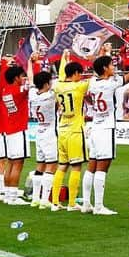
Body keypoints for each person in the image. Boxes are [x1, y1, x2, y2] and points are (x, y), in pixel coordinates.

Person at [83, 54, 129, 215]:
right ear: (105, 68)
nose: (114, 68)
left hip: (94, 126)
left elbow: (87, 96)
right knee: (102, 166)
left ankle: (86, 203)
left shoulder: (92, 83)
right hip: (106, 127)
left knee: (91, 165)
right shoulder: (110, 83)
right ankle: (99, 206)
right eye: (111, 65)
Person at [50, 52, 90, 212]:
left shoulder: (58, 86)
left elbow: (62, 75)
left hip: (62, 130)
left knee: (61, 167)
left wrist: (65, 59)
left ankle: (54, 202)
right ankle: (72, 203)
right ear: (75, 74)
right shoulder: (79, 86)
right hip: (75, 131)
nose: (81, 76)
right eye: (79, 74)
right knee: (76, 167)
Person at [0, 61, 31, 206]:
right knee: (18, 164)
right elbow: (32, 83)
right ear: (16, 78)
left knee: (10, 163)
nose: (24, 78)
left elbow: (3, 78)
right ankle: (13, 197)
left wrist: (5, 65)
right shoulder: (18, 90)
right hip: (18, 130)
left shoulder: (5, 91)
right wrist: (30, 63)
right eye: (21, 76)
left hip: (9, 132)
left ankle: (9, 195)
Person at [27, 64, 57, 208]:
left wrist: (30, 64)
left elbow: (31, 78)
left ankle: (35, 199)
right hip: (50, 132)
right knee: (51, 165)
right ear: (46, 84)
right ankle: (45, 199)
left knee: (40, 165)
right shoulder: (50, 96)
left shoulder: (33, 94)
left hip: (38, 131)